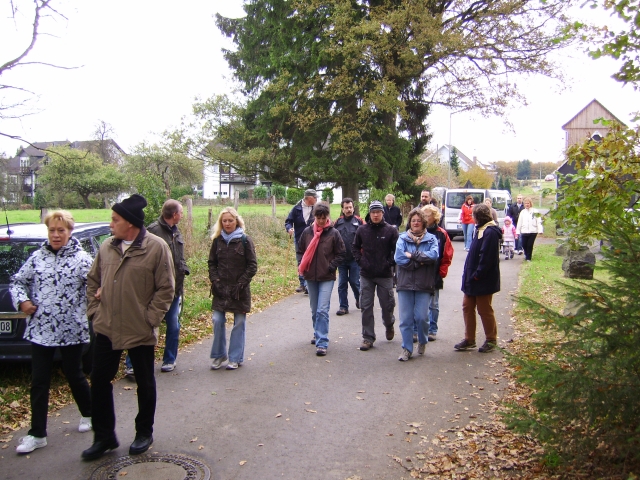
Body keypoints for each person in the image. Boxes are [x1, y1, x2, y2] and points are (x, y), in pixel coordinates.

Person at [82, 194, 175, 460]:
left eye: (115, 220)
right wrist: (95, 312)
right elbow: (92, 281)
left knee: (144, 382)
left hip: (139, 329)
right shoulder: (106, 247)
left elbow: (166, 289)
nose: (110, 224)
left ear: (130, 223)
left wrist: (150, 319)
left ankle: (144, 432)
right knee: (99, 381)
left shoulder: (156, 247)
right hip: (107, 327)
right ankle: (104, 437)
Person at [10, 210, 93, 454]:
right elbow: (18, 281)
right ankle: (37, 434)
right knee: (39, 380)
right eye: (52, 230)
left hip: (71, 329)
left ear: (70, 232)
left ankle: (89, 413)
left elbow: (97, 286)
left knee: (73, 373)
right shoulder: (37, 257)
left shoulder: (82, 259)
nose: (56, 235)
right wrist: (22, 301)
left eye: (61, 230)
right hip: (41, 329)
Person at [124, 199, 189, 375]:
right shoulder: (153, 231)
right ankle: (132, 364)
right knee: (144, 324)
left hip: (174, 289)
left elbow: (178, 257)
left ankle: (169, 360)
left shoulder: (176, 231)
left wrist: (183, 268)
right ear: (174, 214)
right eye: (181, 212)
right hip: (154, 290)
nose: (182, 215)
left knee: (173, 326)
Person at [209, 207, 258, 370]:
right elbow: (212, 263)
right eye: (224, 221)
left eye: (230, 220)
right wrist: (215, 280)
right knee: (217, 320)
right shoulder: (217, 241)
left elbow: (252, 265)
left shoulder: (245, 240)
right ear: (221, 222)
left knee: (239, 322)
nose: (227, 223)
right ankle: (218, 355)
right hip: (221, 289)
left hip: (240, 290)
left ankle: (235, 358)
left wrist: (241, 283)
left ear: (236, 221)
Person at [297, 203, 345, 356]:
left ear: (327, 217)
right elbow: (300, 250)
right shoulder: (307, 232)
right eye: (319, 218)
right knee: (314, 309)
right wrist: (302, 264)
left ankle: (322, 342)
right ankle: (317, 332)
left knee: (322, 310)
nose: (322, 221)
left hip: (327, 276)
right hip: (310, 276)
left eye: (324, 218)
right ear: (315, 217)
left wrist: (331, 266)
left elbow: (341, 253)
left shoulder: (334, 233)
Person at [455, 203, 501, 353]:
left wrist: (477, 275)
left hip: (483, 279)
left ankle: (491, 340)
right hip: (472, 278)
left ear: (478, 216)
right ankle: (469, 339)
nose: (472, 218)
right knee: (467, 307)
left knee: (484, 309)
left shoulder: (490, 232)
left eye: (473, 215)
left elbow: (487, 257)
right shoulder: (480, 229)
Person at [352, 200, 399, 351]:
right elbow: (355, 247)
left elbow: (397, 250)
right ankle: (368, 337)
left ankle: (389, 324)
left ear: (382, 213)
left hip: (385, 274)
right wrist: (361, 261)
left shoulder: (391, 231)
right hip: (367, 274)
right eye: (373, 212)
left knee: (387, 305)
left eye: (378, 212)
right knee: (366, 306)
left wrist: (389, 263)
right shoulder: (362, 230)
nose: (376, 215)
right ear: (370, 214)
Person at [394, 208, 439, 361]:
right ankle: (406, 349)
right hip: (405, 283)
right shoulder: (402, 238)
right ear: (410, 223)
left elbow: (433, 255)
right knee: (405, 319)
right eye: (413, 220)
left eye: (419, 220)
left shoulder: (431, 239)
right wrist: (419, 262)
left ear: (423, 222)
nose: (416, 223)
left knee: (422, 317)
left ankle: (423, 340)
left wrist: (412, 255)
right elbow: (399, 258)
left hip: (424, 284)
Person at [422, 204, 454, 342]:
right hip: (420, 274)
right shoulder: (419, 231)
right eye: (423, 215)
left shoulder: (442, 233)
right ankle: (419, 329)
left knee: (433, 304)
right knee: (420, 304)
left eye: (428, 215)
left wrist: (442, 272)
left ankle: (432, 330)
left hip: (435, 273)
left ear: (434, 217)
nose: (425, 217)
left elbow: (448, 254)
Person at [333, 198, 363, 316]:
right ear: (342, 209)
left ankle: (359, 299)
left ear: (353, 208)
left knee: (355, 281)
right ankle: (343, 306)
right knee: (342, 283)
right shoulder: (337, 222)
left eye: (350, 207)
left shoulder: (359, 221)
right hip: (341, 259)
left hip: (355, 258)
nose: (349, 209)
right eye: (346, 208)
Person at [285, 189, 318, 294]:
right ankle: (303, 283)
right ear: (309, 198)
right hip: (299, 239)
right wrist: (289, 229)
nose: (316, 199)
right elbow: (288, 221)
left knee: (311, 260)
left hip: (312, 239)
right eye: (315, 197)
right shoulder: (296, 208)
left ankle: (310, 284)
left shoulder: (316, 208)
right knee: (301, 260)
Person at [515, 197, 543, 261]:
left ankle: (528, 258)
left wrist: (540, 230)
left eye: (528, 203)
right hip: (524, 231)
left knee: (530, 245)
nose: (527, 205)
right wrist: (517, 232)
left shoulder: (535, 211)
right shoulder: (522, 212)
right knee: (524, 244)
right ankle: (526, 254)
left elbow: (539, 221)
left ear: (530, 204)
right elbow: (519, 222)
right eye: (525, 203)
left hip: (533, 231)